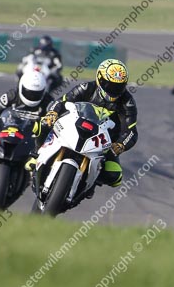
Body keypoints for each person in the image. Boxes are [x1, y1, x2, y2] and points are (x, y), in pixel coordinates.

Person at [28, 59, 137, 189]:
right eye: (109, 85)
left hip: (105, 141)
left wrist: (121, 144)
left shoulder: (127, 102)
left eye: (118, 86)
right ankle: (36, 155)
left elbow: (131, 131)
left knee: (114, 176)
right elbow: (62, 101)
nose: (114, 90)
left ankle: (88, 185)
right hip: (76, 125)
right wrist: (53, 113)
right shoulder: (86, 88)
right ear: (99, 79)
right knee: (43, 123)